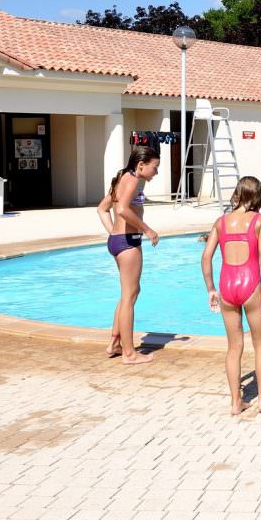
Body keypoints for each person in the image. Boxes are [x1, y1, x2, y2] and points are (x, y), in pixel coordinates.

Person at [200, 176, 261, 416]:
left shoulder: (220, 222)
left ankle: (236, 402)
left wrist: (210, 289)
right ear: (258, 196)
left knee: (233, 347)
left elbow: (205, 257)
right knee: (260, 344)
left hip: (226, 286)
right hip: (251, 285)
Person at [97, 147, 160, 365]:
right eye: (155, 167)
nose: (156, 172)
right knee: (129, 297)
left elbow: (102, 209)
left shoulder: (122, 179)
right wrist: (147, 229)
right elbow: (122, 209)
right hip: (128, 242)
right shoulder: (132, 179)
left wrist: (113, 233)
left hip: (118, 241)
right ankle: (129, 353)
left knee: (129, 294)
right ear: (141, 165)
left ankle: (114, 343)